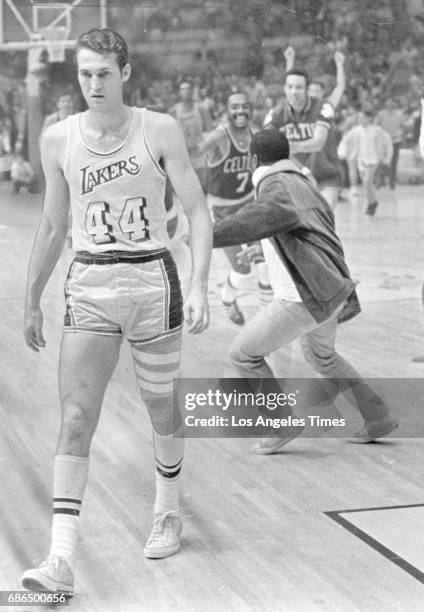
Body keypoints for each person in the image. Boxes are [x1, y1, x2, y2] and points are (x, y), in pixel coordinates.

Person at [21, 28, 211, 596]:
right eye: (85, 73)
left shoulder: (159, 129)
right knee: (76, 418)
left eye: (104, 72)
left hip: (154, 282)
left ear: (126, 73)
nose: (94, 83)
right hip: (92, 285)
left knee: (161, 408)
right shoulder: (57, 139)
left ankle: (168, 510)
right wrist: (31, 298)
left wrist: (200, 283)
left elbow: (199, 212)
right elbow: (54, 226)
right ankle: (59, 560)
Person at [212, 129, 398, 454]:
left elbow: (253, 219)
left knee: (243, 354)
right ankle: (376, 415)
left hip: (304, 296)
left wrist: (202, 234)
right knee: (322, 356)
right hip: (332, 289)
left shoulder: (275, 185)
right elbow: (301, 229)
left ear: (255, 160)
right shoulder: (302, 182)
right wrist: (266, 250)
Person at [198, 92, 272, 325]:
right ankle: (227, 298)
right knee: (242, 269)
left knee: (264, 264)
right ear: (227, 111)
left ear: (251, 109)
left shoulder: (256, 134)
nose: (240, 112)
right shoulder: (218, 137)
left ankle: (269, 320)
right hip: (223, 214)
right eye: (235, 107)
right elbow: (189, 156)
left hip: (249, 207)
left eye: (245, 107)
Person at [264, 64, 342, 210]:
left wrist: (288, 146)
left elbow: (318, 142)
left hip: (326, 175)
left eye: (299, 87)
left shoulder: (324, 107)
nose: (294, 92)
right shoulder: (275, 114)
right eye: (290, 87)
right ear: (284, 89)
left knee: (325, 217)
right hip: (296, 177)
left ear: (307, 89)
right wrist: (303, 171)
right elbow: (270, 150)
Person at [338, 108, 393, 216]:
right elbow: (345, 140)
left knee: (367, 181)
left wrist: (387, 158)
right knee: (367, 184)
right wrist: (343, 153)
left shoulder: (377, 130)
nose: (360, 119)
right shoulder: (355, 130)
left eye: (362, 117)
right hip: (361, 160)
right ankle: (374, 201)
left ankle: (370, 204)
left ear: (369, 118)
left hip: (374, 159)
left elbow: (388, 142)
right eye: (359, 118)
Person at [169, 80, 212, 192]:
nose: (186, 91)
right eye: (183, 89)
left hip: (199, 152)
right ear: (179, 93)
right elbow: (168, 132)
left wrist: (205, 145)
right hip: (183, 154)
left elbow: (210, 128)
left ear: (192, 91)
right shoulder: (174, 110)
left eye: (188, 89)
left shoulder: (201, 109)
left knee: (203, 186)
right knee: (186, 188)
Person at [374, 98, 405, 190]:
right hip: (384, 142)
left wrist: (399, 133)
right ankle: (380, 182)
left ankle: (392, 184)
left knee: (394, 163)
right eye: (388, 102)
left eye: (392, 101)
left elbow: (403, 126)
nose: (390, 103)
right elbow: (375, 124)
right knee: (382, 162)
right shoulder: (381, 113)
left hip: (396, 141)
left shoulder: (399, 114)